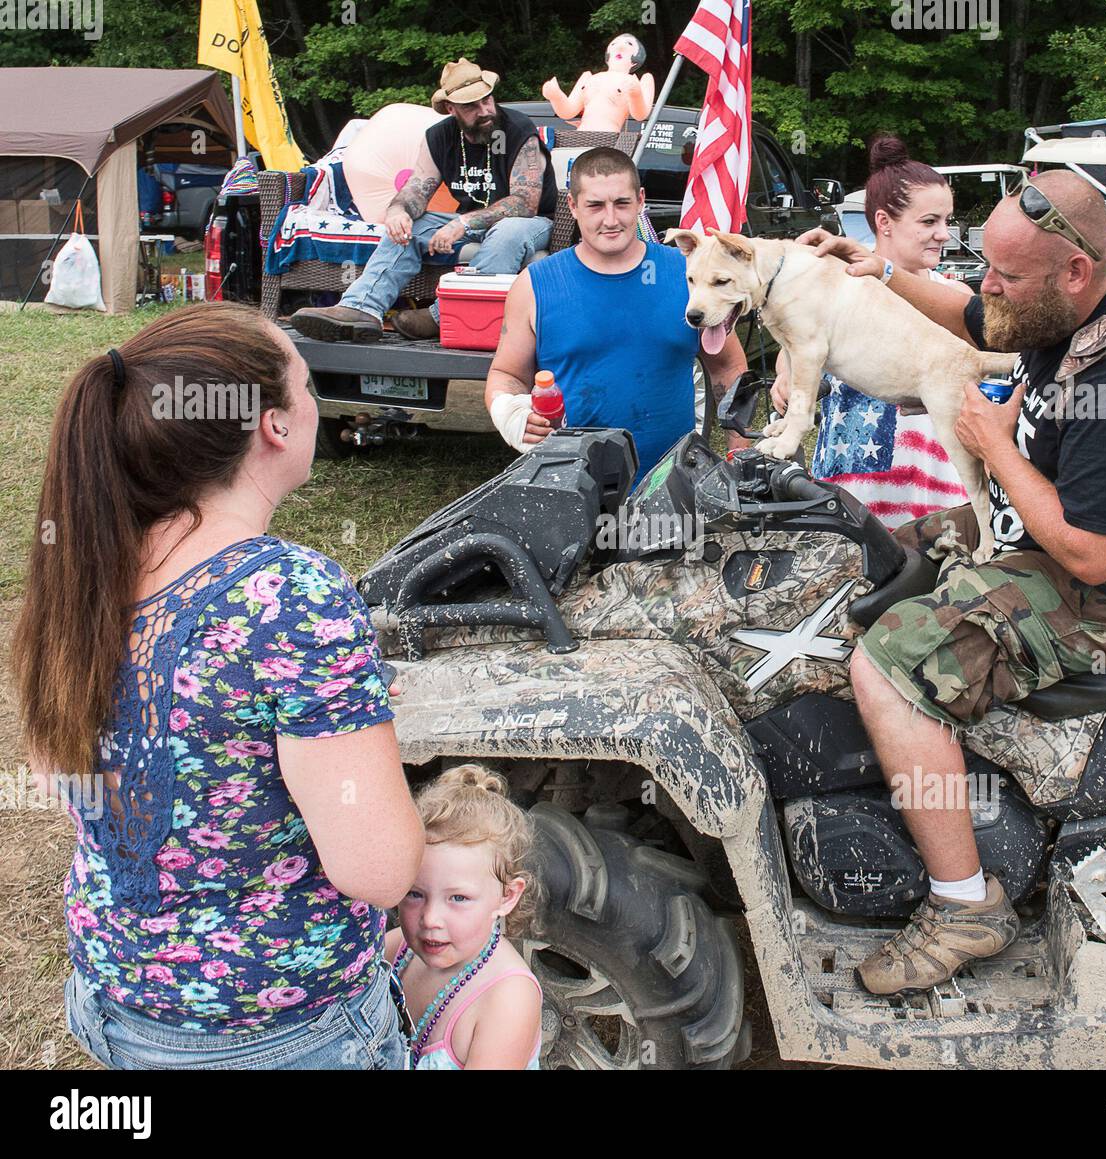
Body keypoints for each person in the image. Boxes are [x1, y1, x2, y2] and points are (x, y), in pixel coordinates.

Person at [797, 169, 1106, 994]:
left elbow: (1093, 555)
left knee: (889, 662)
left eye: (1006, 275)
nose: (988, 287)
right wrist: (879, 268)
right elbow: (976, 312)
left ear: (1073, 271)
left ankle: (965, 905)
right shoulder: (1071, 299)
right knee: (866, 547)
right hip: (1044, 529)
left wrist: (994, 445)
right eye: (985, 266)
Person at [13, 302, 426, 1068]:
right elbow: (378, 869)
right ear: (274, 423)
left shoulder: (87, 564)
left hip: (113, 1001)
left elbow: (59, 770)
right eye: (307, 383)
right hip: (272, 1038)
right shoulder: (290, 594)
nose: (315, 402)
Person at [485, 146, 748, 483]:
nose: (610, 219)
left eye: (621, 204)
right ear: (573, 205)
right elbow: (506, 373)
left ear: (640, 201)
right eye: (595, 205)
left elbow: (728, 367)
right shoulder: (535, 286)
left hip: (671, 487)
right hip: (570, 487)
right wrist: (511, 412)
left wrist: (738, 459)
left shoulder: (687, 276)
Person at [774, 135, 973, 529]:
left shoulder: (955, 297)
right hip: (856, 492)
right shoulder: (833, 288)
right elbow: (792, 355)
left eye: (947, 220)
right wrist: (786, 376)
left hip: (938, 488)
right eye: (930, 221)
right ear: (884, 222)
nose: (944, 233)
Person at [292, 57, 558, 343]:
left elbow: (524, 203)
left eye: (487, 99)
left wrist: (463, 224)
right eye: (471, 105)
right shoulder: (439, 136)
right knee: (411, 225)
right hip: (471, 221)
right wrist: (398, 211)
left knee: (508, 231)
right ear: (450, 108)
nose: (484, 111)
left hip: (532, 223)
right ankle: (361, 309)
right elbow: (416, 190)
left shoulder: (518, 129)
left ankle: (441, 317)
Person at [386, 764, 542, 1070]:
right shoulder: (397, 950)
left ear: (507, 896)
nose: (431, 918)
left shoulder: (509, 999)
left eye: (458, 898)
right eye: (415, 894)